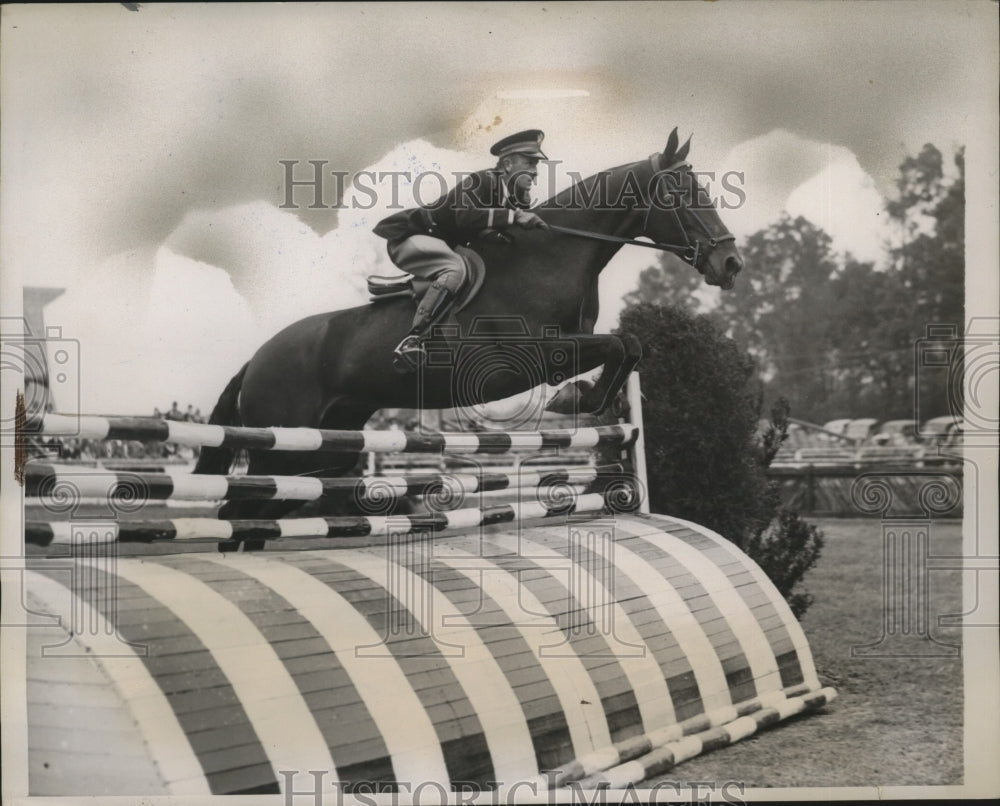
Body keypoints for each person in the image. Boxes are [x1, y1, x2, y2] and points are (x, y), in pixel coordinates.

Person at [373, 129, 551, 371]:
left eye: (536, 165)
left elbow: (479, 229)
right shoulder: (484, 180)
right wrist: (516, 216)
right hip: (410, 237)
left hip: (440, 242)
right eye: (529, 162)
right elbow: (465, 216)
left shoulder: (507, 196)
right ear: (507, 164)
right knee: (454, 269)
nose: (534, 170)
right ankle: (414, 338)